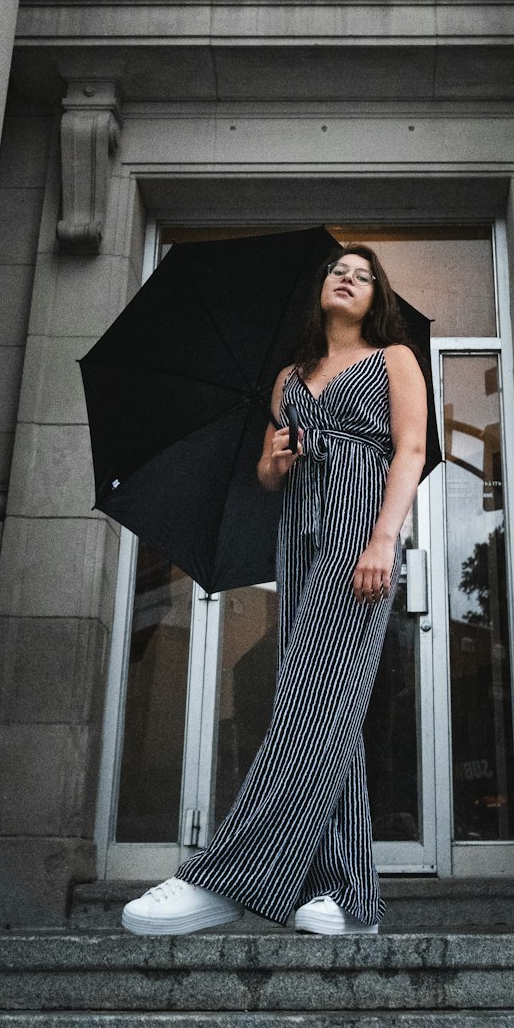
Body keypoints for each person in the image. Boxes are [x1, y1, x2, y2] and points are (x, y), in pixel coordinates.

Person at [121, 246, 428, 936]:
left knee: (314, 696)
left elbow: (409, 449)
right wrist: (272, 460)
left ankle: (228, 874)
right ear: (319, 289)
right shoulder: (289, 377)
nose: (346, 279)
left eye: (362, 275)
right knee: (320, 702)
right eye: (336, 271)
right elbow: (267, 472)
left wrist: (384, 540)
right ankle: (347, 897)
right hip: (299, 531)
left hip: (358, 521)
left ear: (375, 296)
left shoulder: (394, 360)